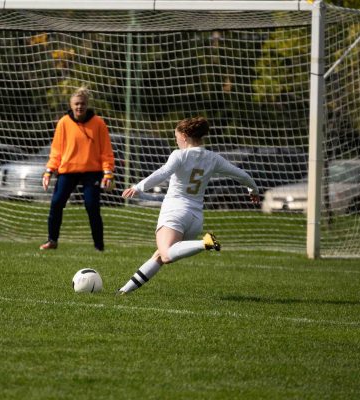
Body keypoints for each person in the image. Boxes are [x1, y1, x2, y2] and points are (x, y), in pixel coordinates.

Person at [117, 116, 259, 294]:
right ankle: (123, 291)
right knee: (160, 255)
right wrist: (252, 190)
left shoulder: (180, 155)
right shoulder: (213, 158)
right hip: (195, 218)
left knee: (167, 254)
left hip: (175, 212)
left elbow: (163, 172)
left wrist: (138, 187)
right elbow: (241, 175)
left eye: (176, 137)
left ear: (184, 136)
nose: (176, 141)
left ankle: (204, 243)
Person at [40, 86, 115, 251]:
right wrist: (49, 171)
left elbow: (106, 151)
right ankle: (52, 240)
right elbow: (56, 151)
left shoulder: (99, 123)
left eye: (82, 103)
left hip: (92, 172)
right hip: (68, 171)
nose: (79, 107)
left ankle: (99, 246)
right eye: (76, 104)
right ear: (71, 105)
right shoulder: (63, 123)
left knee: (91, 206)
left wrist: (107, 173)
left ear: (86, 104)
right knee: (57, 203)